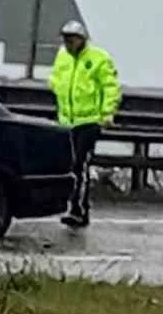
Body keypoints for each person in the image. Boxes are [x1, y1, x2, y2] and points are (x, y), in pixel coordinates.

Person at [48, 19, 121, 229]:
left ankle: (78, 210)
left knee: (80, 165)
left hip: (88, 121)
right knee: (69, 165)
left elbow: (110, 87)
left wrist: (107, 114)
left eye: (71, 39)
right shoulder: (62, 57)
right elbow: (56, 79)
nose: (68, 43)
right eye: (65, 39)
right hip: (66, 121)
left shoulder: (98, 58)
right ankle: (74, 207)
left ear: (81, 39)